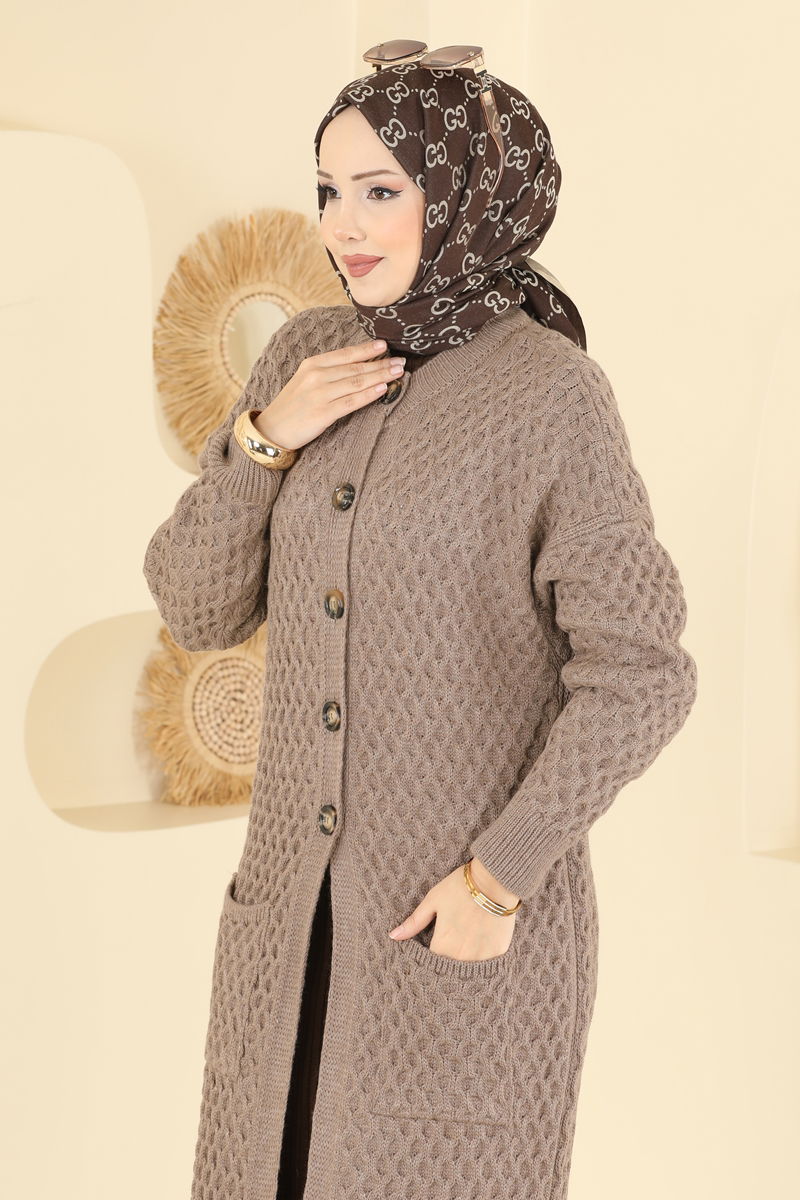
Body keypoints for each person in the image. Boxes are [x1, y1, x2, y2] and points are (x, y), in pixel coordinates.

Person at [143, 55, 698, 1200]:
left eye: (379, 190)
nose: (342, 226)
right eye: (326, 190)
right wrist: (266, 438)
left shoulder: (549, 394)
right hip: (285, 940)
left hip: (447, 932)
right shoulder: (301, 354)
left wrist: (500, 877)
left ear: (466, 192)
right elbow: (194, 608)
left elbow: (641, 670)